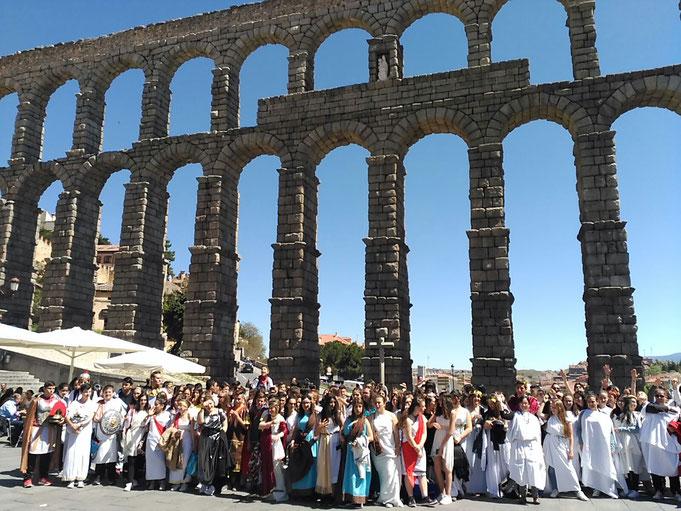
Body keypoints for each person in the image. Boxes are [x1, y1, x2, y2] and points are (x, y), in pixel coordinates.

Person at [578, 392, 623, 498]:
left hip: (604, 446)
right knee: (593, 467)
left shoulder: (604, 415)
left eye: (593, 401)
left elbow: (610, 431)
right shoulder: (584, 414)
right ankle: (596, 488)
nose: (591, 404)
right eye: (589, 402)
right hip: (590, 446)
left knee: (606, 465)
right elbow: (580, 430)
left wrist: (612, 445)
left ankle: (609, 488)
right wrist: (582, 443)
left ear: (597, 401)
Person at [639, 388, 681, 501]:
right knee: (656, 467)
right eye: (657, 396)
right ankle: (659, 490)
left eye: (661, 396)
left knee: (672, 468)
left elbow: (677, 421)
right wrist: (667, 409)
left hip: (669, 443)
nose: (658, 398)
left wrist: (668, 411)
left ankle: (676, 491)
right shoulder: (648, 407)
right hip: (653, 444)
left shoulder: (676, 410)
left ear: (666, 397)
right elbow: (654, 408)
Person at [20, 381, 63, 488]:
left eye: (53, 388)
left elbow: (61, 413)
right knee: (32, 453)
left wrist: (61, 420)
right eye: (49, 388)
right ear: (44, 389)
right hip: (37, 429)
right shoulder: (37, 401)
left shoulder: (57, 401)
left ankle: (43, 476)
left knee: (46, 454)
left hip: (50, 430)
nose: (51, 391)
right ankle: (27, 477)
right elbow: (30, 415)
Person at [543, 399, 588, 500]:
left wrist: (571, 450)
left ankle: (577, 490)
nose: (553, 409)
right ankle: (556, 488)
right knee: (551, 468)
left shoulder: (566, 419)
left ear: (560, 407)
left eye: (554, 407)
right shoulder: (551, 419)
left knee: (568, 468)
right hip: (550, 444)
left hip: (561, 445)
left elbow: (571, 436)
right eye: (551, 408)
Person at [507, 395, 546, 505]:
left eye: (526, 403)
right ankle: (522, 496)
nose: (524, 405)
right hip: (519, 445)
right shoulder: (516, 416)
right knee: (521, 470)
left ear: (529, 405)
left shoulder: (534, 418)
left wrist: (539, 448)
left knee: (533, 470)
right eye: (522, 403)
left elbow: (538, 434)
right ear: (519, 405)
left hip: (532, 446)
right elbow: (511, 432)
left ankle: (535, 496)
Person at [400, 396, 435, 507]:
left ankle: (425, 496)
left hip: (419, 448)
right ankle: (411, 497)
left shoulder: (422, 418)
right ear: (417, 407)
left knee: (421, 473)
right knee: (409, 473)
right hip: (409, 449)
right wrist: (416, 448)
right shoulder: (407, 419)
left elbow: (424, 433)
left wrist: (420, 446)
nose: (425, 408)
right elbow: (409, 437)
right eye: (423, 406)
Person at [370, 394, 402, 508]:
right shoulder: (372, 416)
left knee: (392, 473)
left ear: (384, 403)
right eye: (376, 403)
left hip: (391, 447)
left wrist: (398, 446)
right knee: (384, 475)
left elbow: (396, 433)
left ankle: (393, 498)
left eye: (380, 402)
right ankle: (385, 498)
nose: (378, 404)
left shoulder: (392, 416)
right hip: (378, 450)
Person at [62, 383, 96, 488]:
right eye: (86, 391)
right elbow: (67, 415)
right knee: (72, 452)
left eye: (89, 391)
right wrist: (73, 425)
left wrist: (80, 424)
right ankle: (70, 478)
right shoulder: (74, 403)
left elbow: (91, 416)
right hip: (74, 430)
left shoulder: (92, 404)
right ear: (81, 392)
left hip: (84, 431)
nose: (87, 394)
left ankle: (81, 478)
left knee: (83, 453)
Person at [92, 384, 126, 485]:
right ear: (102, 393)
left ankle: (112, 476)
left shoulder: (117, 403)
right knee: (100, 455)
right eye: (105, 392)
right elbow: (94, 416)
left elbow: (121, 415)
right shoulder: (98, 403)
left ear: (113, 393)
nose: (107, 394)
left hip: (112, 433)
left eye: (109, 392)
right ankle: (99, 476)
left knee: (112, 455)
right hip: (100, 433)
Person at [341, 398, 373, 507]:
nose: (358, 409)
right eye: (356, 406)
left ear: (363, 408)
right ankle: (351, 497)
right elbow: (344, 432)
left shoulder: (365, 420)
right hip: (351, 451)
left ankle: (360, 498)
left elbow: (371, 436)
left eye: (360, 406)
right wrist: (351, 425)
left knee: (361, 474)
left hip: (361, 452)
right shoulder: (348, 420)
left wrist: (361, 440)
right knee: (351, 474)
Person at [613, 395, 645, 499]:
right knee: (626, 467)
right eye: (632, 402)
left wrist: (621, 429)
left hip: (634, 444)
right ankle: (628, 489)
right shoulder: (621, 415)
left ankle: (635, 489)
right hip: (623, 444)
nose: (634, 404)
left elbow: (636, 429)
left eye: (635, 402)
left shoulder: (638, 415)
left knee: (635, 466)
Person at [481, 393, 512, 499]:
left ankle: (508, 488)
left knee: (506, 464)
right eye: (489, 404)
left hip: (504, 441)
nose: (491, 406)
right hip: (491, 442)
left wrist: (504, 424)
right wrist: (486, 424)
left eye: (493, 403)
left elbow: (508, 423)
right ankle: (494, 489)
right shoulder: (487, 413)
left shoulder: (504, 412)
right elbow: (483, 425)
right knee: (493, 465)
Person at [197, 397, 230, 496]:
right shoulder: (203, 412)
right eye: (207, 405)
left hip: (217, 437)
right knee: (205, 460)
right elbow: (200, 422)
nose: (209, 406)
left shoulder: (219, 411)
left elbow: (225, 423)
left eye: (211, 403)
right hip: (206, 438)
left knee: (215, 461)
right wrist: (203, 409)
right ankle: (205, 482)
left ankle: (214, 485)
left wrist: (222, 434)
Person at [258, 397, 288, 501]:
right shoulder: (266, 415)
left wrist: (278, 435)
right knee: (266, 467)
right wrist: (269, 423)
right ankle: (268, 490)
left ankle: (280, 491)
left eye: (273, 408)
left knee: (276, 467)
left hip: (275, 444)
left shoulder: (280, 418)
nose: (271, 410)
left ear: (277, 408)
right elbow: (260, 425)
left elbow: (285, 430)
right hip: (266, 444)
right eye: (270, 407)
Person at [289, 395, 318, 497]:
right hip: (301, 442)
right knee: (300, 465)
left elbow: (318, 429)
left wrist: (314, 439)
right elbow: (296, 429)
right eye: (304, 403)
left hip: (311, 442)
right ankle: (299, 491)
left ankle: (310, 492)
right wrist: (293, 440)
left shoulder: (315, 415)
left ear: (311, 404)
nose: (306, 405)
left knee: (310, 466)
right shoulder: (299, 416)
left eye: (308, 403)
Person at [315, 394, 342, 499]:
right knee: (323, 466)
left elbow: (343, 426)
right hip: (324, 441)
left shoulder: (337, 415)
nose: (332, 404)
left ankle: (334, 494)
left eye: (334, 402)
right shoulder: (320, 416)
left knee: (334, 467)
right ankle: (325, 493)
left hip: (335, 441)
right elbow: (316, 433)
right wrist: (320, 427)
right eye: (330, 402)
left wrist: (340, 435)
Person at [429, 393, 454, 505]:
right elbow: (429, 424)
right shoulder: (437, 412)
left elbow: (451, 431)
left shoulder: (452, 413)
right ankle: (442, 491)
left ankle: (448, 494)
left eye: (441, 401)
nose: (439, 403)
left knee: (447, 467)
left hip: (447, 441)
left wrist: (442, 446)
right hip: (437, 439)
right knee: (437, 466)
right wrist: (433, 421)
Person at [121, 393, 149, 492]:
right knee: (131, 459)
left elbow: (146, 425)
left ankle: (136, 479)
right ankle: (129, 482)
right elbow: (127, 424)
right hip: (132, 436)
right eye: (141, 400)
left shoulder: (148, 412)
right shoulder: (133, 411)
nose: (143, 402)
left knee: (139, 460)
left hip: (142, 438)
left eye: (145, 400)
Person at [168, 398, 195, 492]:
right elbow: (171, 427)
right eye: (180, 405)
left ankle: (184, 482)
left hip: (187, 440)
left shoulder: (190, 417)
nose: (181, 407)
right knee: (176, 460)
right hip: (177, 440)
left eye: (183, 406)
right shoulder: (176, 417)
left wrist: (194, 443)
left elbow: (192, 431)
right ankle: (176, 482)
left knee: (184, 461)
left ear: (187, 407)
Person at [146, 394, 170, 490]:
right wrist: (149, 415)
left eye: (157, 404)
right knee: (150, 462)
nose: (155, 406)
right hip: (150, 440)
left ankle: (162, 482)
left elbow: (167, 429)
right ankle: (151, 482)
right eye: (154, 404)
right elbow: (144, 425)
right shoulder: (151, 414)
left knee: (160, 462)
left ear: (162, 406)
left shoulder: (167, 415)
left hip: (160, 441)